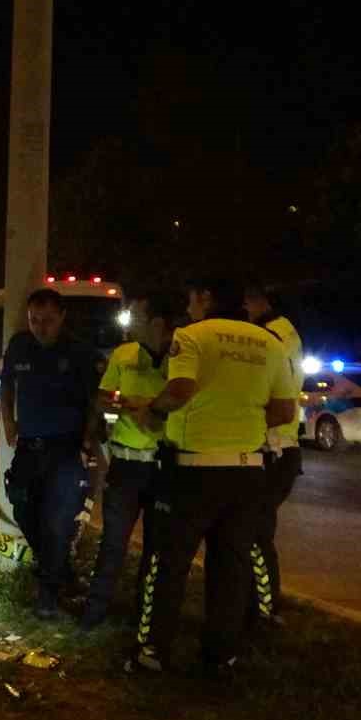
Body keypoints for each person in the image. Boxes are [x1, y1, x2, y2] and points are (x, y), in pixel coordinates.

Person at [129, 277, 297, 679]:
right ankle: (221, 656)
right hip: (247, 472)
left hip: (192, 469)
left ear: (205, 298)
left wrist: (153, 409)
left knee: (168, 562)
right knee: (230, 566)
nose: (189, 307)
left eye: (191, 298)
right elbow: (284, 411)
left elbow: (181, 388)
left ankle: (152, 651)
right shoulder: (270, 343)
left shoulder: (192, 336)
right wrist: (242, 421)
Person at [81, 291, 184, 631]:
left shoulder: (181, 359)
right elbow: (102, 397)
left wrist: (150, 406)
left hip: (164, 466)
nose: (131, 322)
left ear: (157, 323)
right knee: (113, 543)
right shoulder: (124, 354)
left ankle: (145, 617)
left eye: (137, 315)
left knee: (157, 548)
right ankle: (94, 613)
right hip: (125, 466)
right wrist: (114, 405)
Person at [0, 288, 103, 619]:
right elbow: (6, 385)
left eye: (47, 320)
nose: (40, 327)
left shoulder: (79, 352)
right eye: (34, 320)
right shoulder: (19, 346)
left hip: (65, 448)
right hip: (29, 447)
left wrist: (87, 441)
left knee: (57, 523)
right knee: (22, 509)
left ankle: (47, 594)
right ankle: (62, 574)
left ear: (61, 318)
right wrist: (8, 422)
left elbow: (94, 401)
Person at [244, 283, 303, 628]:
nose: (244, 306)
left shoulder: (270, 336)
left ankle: (264, 609)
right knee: (256, 529)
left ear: (266, 301)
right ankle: (260, 606)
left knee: (255, 530)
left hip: (273, 445)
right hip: (281, 446)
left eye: (250, 299)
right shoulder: (285, 332)